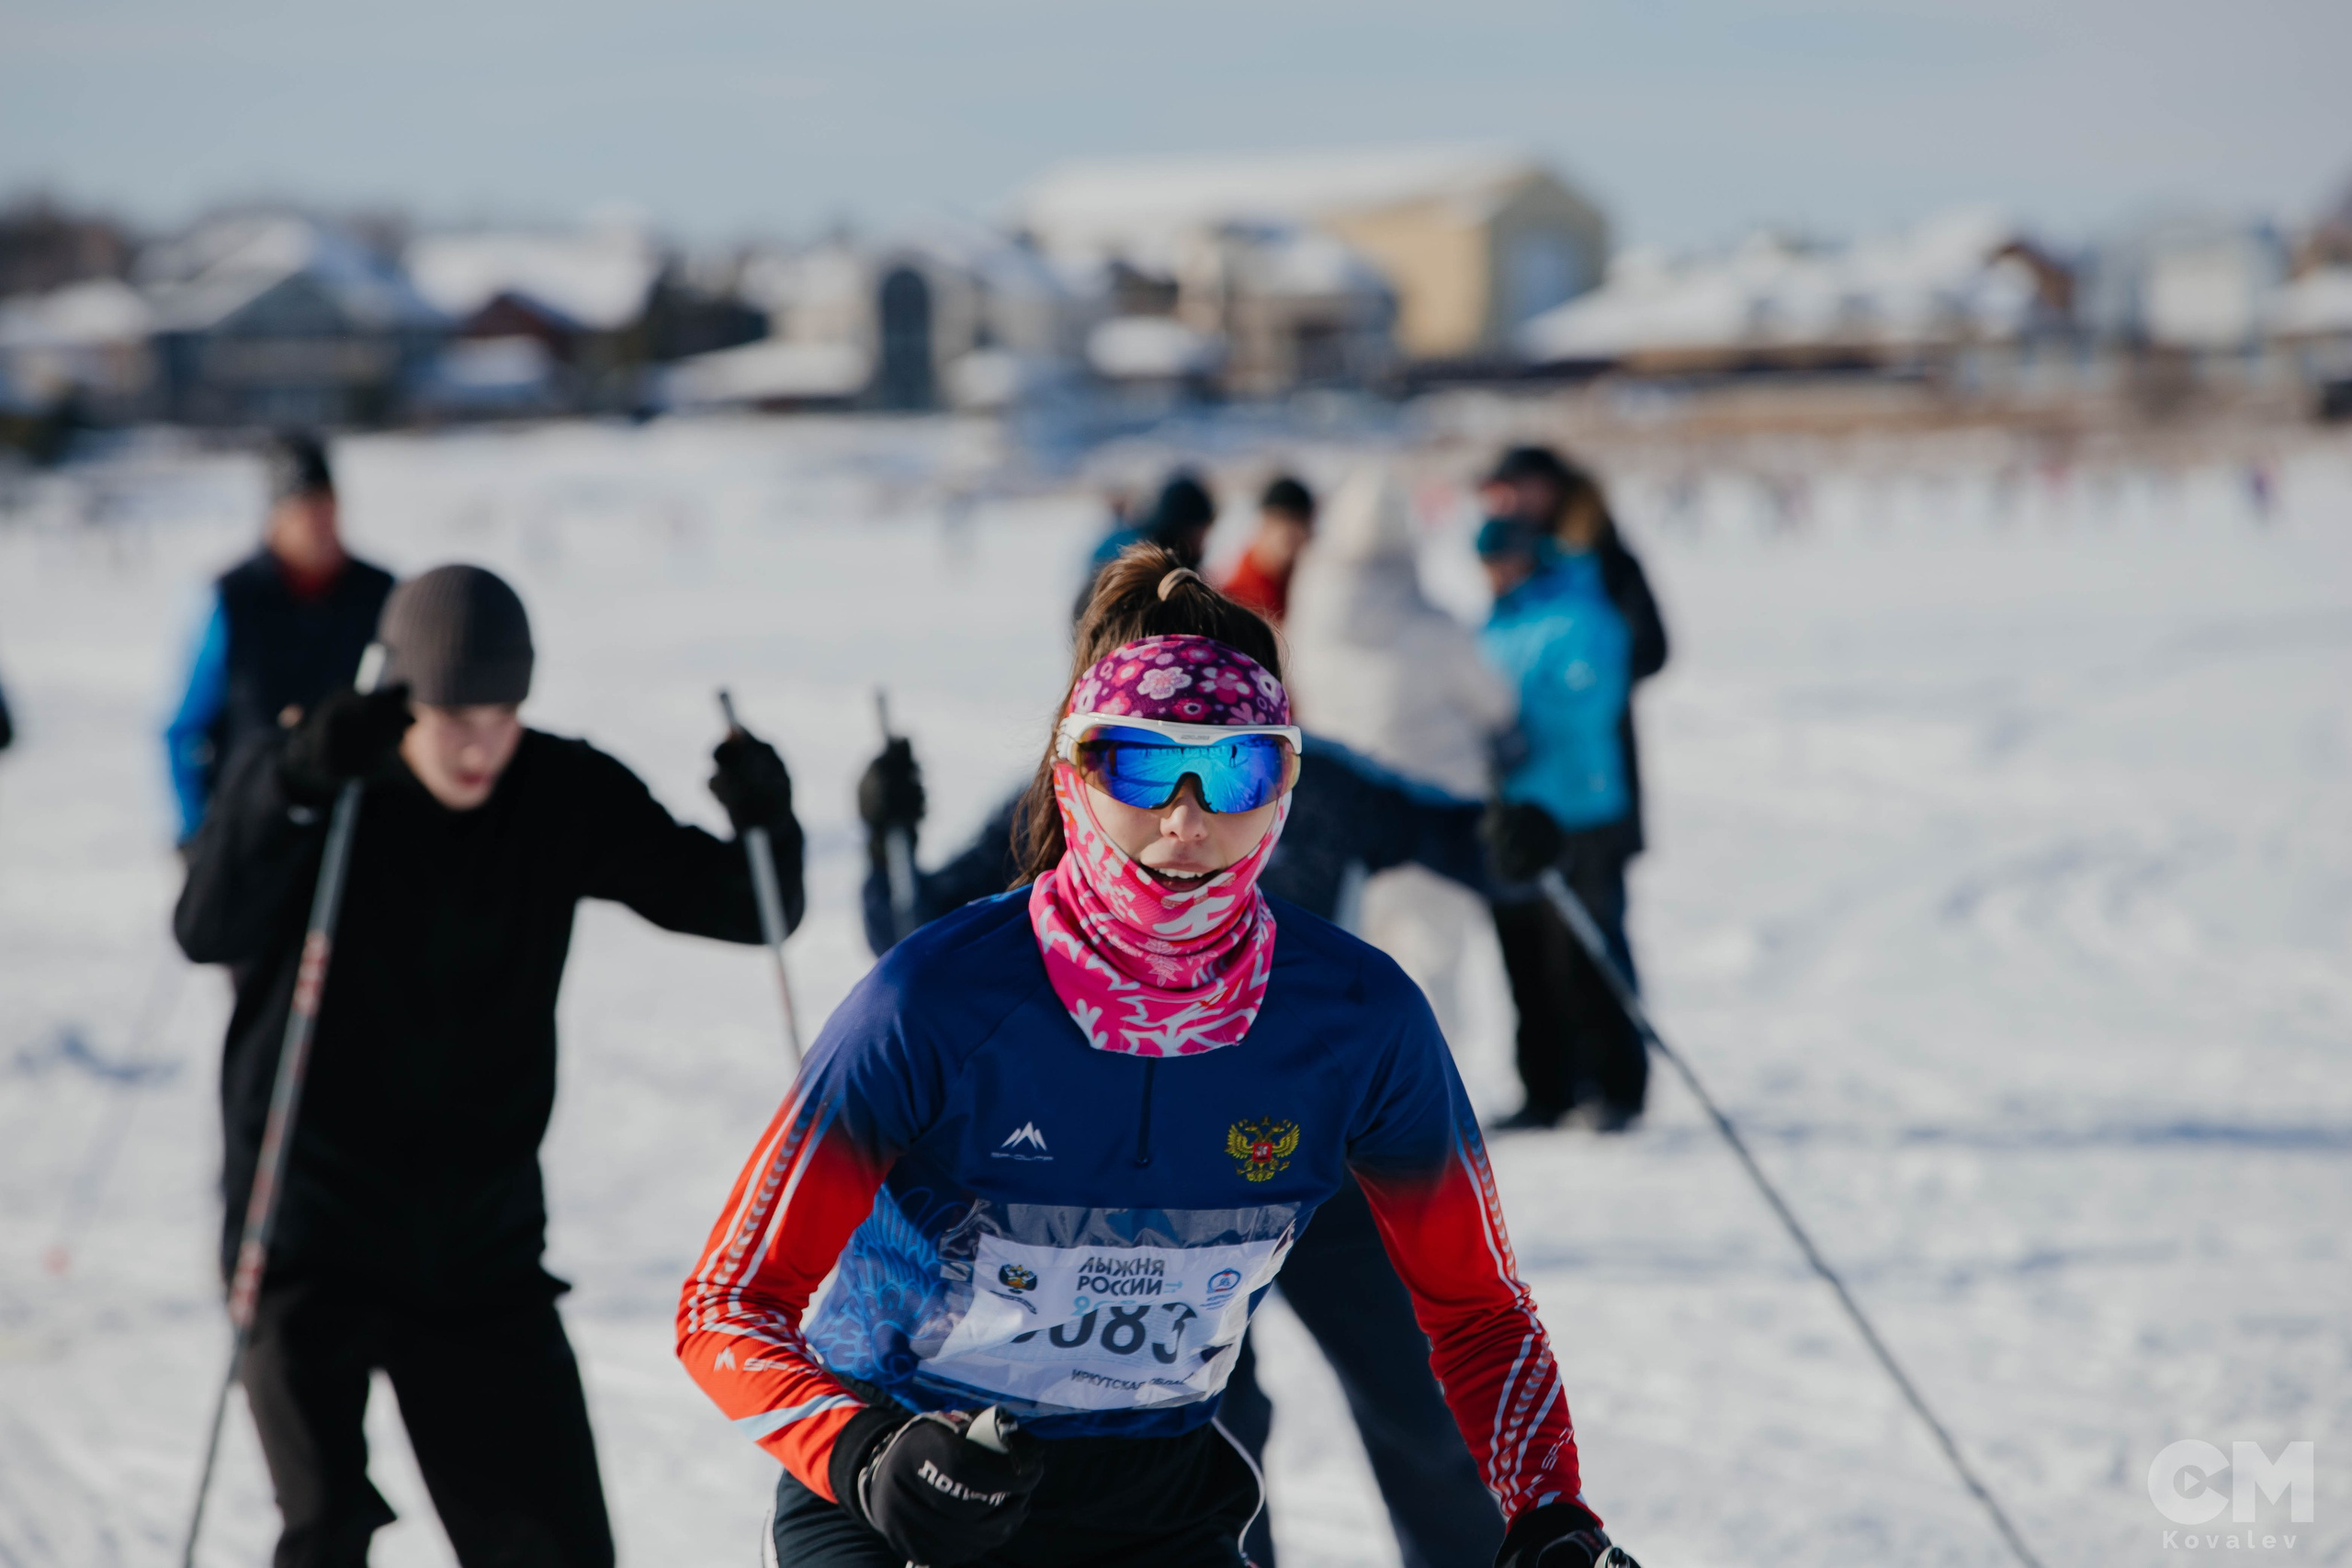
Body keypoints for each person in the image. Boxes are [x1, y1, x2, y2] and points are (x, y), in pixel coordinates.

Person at [680, 548, 1632, 1568]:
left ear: (1283, 789)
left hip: (1155, 1499)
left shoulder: (1359, 1017)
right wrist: (865, 1453)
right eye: (1139, 763)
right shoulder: (937, 1000)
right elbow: (728, 1307)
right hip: (913, 1487)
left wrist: (1546, 1513)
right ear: (1072, 773)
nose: (1186, 817)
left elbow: (1477, 1309)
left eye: (1237, 768)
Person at [175, 564, 805, 1568]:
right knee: (327, 1523)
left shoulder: (554, 789)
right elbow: (205, 926)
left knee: (552, 1549)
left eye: (503, 710)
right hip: (305, 1229)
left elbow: (747, 908)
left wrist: (766, 817)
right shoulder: (332, 781)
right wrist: (286, 780)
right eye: (453, 713)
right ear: (401, 696)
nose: (482, 741)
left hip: (476, 1241)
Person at [1285, 470, 1516, 1047]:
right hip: (1437, 812)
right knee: (1433, 962)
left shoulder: (1308, 622)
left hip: (1345, 817)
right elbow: (1495, 704)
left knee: (1356, 960)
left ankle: (1364, 1109)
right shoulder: (1432, 628)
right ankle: (1428, 1104)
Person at [1475, 446, 1668, 1133]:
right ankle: (1550, 1086)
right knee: (1530, 947)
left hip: (1588, 787)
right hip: (1528, 796)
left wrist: (1562, 709)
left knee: (1589, 939)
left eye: (1511, 490)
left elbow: (1642, 650)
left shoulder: (1595, 564)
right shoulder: (1506, 598)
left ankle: (1614, 1085)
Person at [164, 433, 396, 843]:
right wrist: (192, 830)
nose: (321, 526)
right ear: (276, 517)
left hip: (357, 826)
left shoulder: (378, 592)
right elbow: (182, 728)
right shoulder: (233, 598)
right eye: (306, 511)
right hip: (252, 824)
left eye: (328, 509)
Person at [1076, 471, 1216, 619]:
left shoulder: (1135, 545)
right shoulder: (1153, 572)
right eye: (1201, 531)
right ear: (1183, 529)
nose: (1204, 542)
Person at [1217, 476, 1316, 624]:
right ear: (1263, 524)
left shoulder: (1309, 587)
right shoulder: (1232, 598)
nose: (1292, 532)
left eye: (1301, 523)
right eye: (1282, 521)